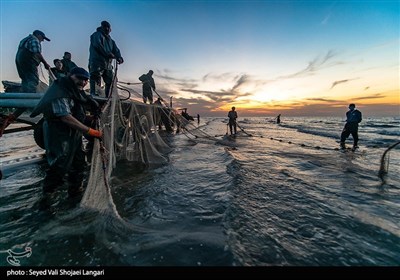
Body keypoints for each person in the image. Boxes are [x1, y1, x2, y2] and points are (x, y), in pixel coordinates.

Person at [30, 67, 102, 197]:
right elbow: (65, 117)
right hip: (58, 132)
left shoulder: (76, 92)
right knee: (60, 164)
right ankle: (48, 199)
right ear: (70, 75)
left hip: (74, 133)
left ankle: (75, 191)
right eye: (79, 78)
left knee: (79, 163)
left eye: (86, 80)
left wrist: (90, 117)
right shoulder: (60, 90)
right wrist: (91, 131)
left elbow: (76, 114)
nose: (83, 82)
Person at [89, 20, 124, 97]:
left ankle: (108, 96)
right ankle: (93, 93)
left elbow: (116, 50)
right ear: (102, 27)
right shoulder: (96, 35)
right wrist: (107, 53)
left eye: (108, 27)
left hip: (108, 65)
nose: (107, 29)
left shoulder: (111, 41)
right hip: (96, 62)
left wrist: (119, 57)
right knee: (95, 77)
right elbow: (97, 45)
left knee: (110, 80)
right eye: (105, 27)